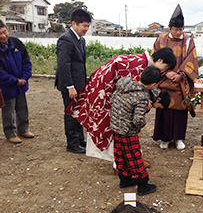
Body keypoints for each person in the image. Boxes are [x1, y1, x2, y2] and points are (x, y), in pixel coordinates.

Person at [65, 47, 177, 160]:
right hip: (104, 91)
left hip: (106, 89)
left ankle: (119, 158)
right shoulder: (139, 64)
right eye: (166, 67)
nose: (164, 71)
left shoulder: (141, 62)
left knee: (115, 123)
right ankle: (117, 160)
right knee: (113, 123)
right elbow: (132, 91)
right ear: (160, 60)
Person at [110, 66, 165, 196]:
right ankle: (143, 185)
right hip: (128, 131)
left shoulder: (124, 83)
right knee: (134, 157)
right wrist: (145, 113)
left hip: (116, 126)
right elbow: (137, 120)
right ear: (152, 84)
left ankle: (125, 180)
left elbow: (113, 101)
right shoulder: (141, 96)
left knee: (120, 154)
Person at [152, 4, 199, 150]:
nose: (179, 32)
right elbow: (155, 59)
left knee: (180, 111)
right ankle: (165, 139)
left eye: (181, 29)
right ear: (169, 27)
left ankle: (178, 138)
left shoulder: (189, 41)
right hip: (164, 80)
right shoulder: (160, 40)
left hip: (181, 83)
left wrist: (181, 75)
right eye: (176, 29)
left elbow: (192, 59)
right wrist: (166, 72)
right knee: (164, 108)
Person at [55, 9, 92, 154]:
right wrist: (70, 86)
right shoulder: (66, 39)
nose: (86, 29)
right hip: (69, 85)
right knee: (71, 113)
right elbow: (64, 65)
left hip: (79, 83)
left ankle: (79, 139)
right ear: (74, 23)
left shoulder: (81, 40)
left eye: (88, 26)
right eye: (84, 26)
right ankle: (72, 143)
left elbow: (80, 64)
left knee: (79, 112)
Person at [0, 20, 33, 144]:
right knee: (8, 110)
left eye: (4, 32)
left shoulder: (16, 43)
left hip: (21, 83)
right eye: (0, 34)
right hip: (7, 86)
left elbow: (27, 61)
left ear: (7, 30)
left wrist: (24, 77)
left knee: (22, 107)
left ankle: (23, 129)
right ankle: (10, 133)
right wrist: (15, 81)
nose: (3, 36)